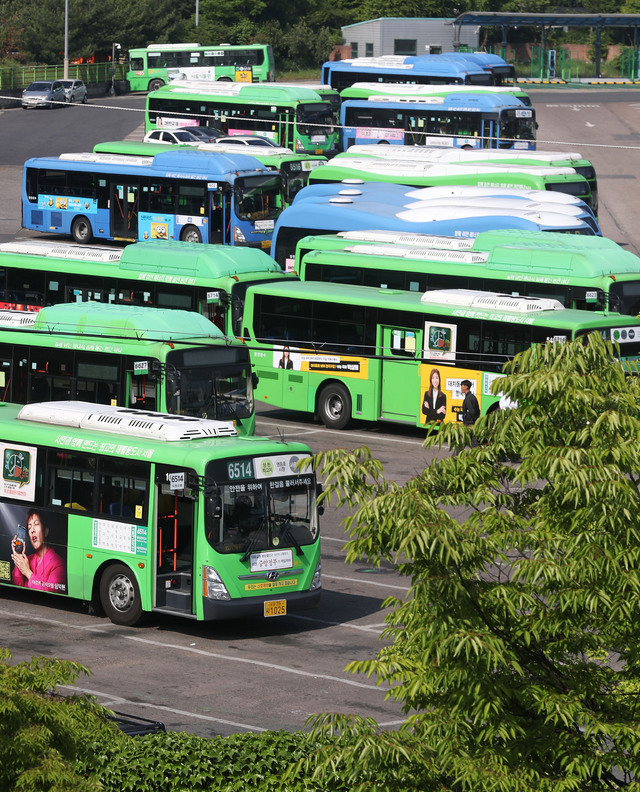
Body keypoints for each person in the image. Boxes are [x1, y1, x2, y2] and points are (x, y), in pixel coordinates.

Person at [10, 509, 66, 593]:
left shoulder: (59, 563)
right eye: (29, 527)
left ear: (46, 531)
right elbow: (17, 588)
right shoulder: (27, 559)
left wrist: (27, 572)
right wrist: (18, 558)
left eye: (36, 524)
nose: (32, 530)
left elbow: (51, 591)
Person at [460, 379, 480, 445]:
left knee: (463, 442)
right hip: (472, 423)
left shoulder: (468, 398)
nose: (461, 387)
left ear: (466, 387)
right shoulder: (471, 397)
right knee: (472, 442)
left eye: (462, 386)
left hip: (469, 424)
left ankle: (455, 455)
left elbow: (471, 412)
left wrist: (467, 423)